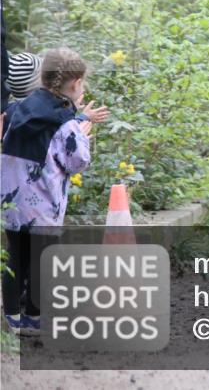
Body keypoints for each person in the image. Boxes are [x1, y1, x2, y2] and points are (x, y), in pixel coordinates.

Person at [1, 48, 109, 334]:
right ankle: (35, 319)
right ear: (74, 84)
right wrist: (82, 132)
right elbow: (77, 162)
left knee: (14, 257)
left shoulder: (15, 110)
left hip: (11, 203)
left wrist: (78, 118)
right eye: (83, 83)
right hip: (43, 208)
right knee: (40, 262)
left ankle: (11, 318)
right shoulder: (67, 124)